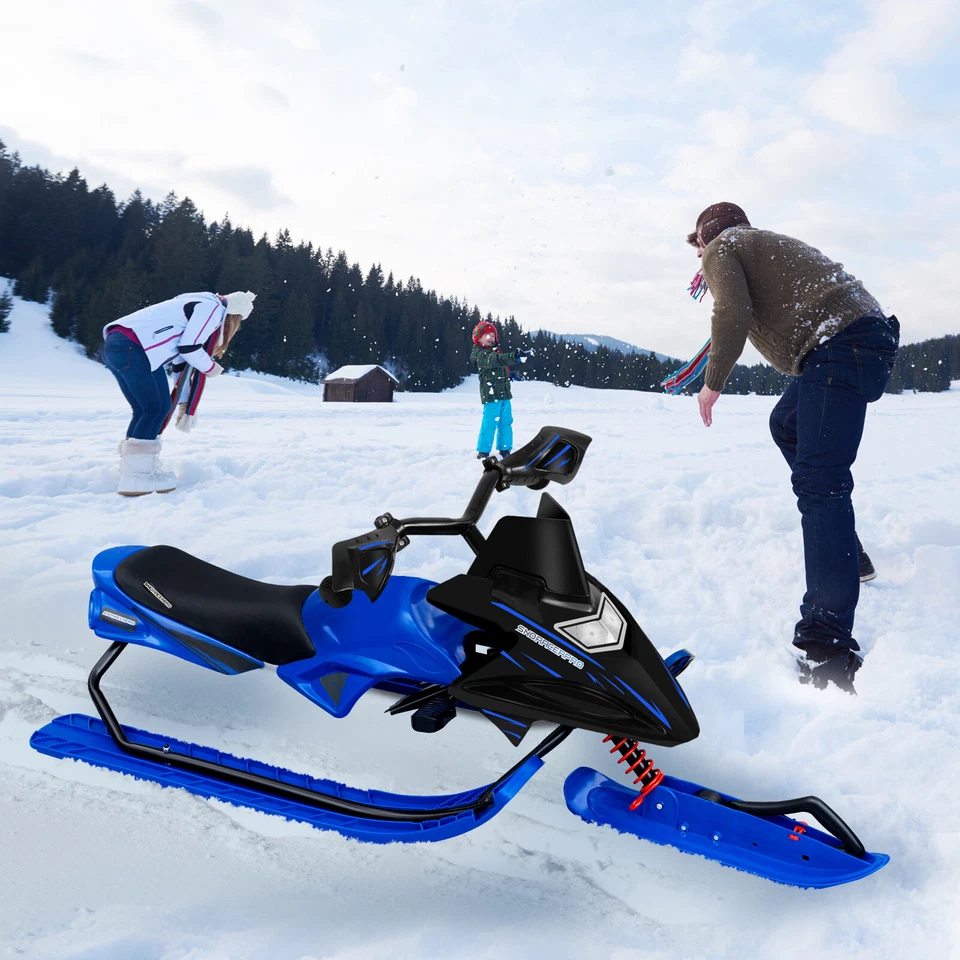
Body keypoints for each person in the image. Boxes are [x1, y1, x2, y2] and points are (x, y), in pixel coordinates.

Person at [685, 202, 899, 692]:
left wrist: (712, 381)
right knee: (787, 422)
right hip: (857, 340)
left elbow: (731, 311)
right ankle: (846, 552)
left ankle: (827, 648)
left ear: (706, 235)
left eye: (698, 243)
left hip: (839, 346)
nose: (699, 254)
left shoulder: (725, 246)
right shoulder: (761, 244)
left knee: (821, 482)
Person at [101, 290, 256, 495]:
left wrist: (183, 403)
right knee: (156, 408)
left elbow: (180, 365)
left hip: (115, 344)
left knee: (144, 409)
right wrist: (211, 368)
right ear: (234, 317)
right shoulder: (214, 308)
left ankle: (133, 469)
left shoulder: (194, 301)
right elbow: (190, 348)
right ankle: (137, 476)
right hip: (135, 348)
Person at [470, 320, 530, 460]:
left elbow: (500, 365)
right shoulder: (481, 354)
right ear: (478, 338)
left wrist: (513, 373)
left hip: (504, 394)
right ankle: (483, 452)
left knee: (506, 422)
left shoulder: (495, 351)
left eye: (493, 335)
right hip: (491, 395)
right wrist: (515, 356)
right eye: (487, 335)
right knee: (490, 423)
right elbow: (496, 360)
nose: (491, 338)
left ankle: (505, 449)